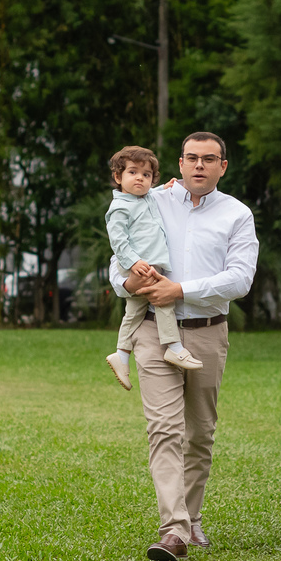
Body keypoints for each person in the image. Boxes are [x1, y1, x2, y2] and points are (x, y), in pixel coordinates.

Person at [109, 132, 259, 561]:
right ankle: (172, 529)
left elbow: (240, 279)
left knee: (200, 433)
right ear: (178, 162)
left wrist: (181, 289)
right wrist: (130, 283)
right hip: (153, 332)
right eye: (191, 158)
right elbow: (119, 260)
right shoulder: (151, 199)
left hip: (208, 332)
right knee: (164, 429)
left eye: (208, 159)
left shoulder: (237, 214)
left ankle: (190, 517)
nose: (199, 166)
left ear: (222, 166)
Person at [104, 145, 204, 392]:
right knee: (163, 300)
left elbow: (151, 196)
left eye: (146, 175)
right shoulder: (120, 208)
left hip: (148, 264)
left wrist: (165, 187)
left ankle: (121, 354)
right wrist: (133, 263)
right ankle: (174, 347)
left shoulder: (145, 197)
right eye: (133, 172)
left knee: (135, 311)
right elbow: (117, 241)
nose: (140, 178)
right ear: (119, 177)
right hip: (139, 266)